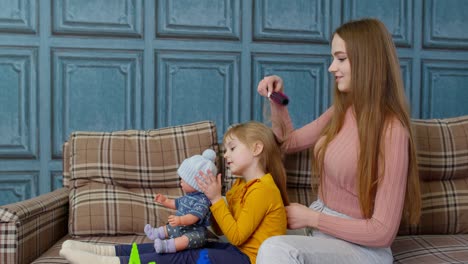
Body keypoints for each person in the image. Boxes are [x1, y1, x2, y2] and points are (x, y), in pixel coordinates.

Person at [256, 18, 421, 264]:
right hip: (322, 233)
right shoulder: (342, 111)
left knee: (275, 249)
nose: (332, 67)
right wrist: (275, 99)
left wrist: (311, 218)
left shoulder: (392, 131)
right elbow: (288, 142)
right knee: (243, 237)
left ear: (368, 62)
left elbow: (382, 232)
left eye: (341, 59)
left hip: (363, 249)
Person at [59, 121, 289, 264]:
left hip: (251, 260)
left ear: (257, 148)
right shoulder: (240, 185)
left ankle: (110, 263)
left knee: (188, 256)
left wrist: (217, 199)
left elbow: (237, 236)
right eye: (225, 149)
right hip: (235, 252)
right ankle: (106, 251)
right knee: (185, 243)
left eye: (232, 148)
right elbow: (220, 230)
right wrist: (209, 202)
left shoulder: (264, 190)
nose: (226, 155)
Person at [143, 149, 217, 253]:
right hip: (181, 227)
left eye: (184, 179)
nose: (180, 181)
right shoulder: (188, 196)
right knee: (169, 228)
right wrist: (164, 201)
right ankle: (156, 233)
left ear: (196, 183)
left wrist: (180, 220)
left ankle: (167, 246)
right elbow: (176, 204)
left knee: (186, 240)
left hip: (195, 232)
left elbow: (193, 217)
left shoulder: (203, 200)